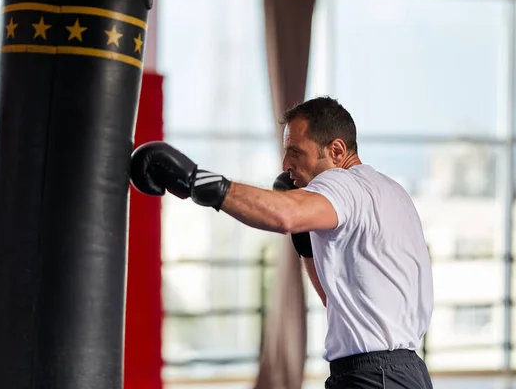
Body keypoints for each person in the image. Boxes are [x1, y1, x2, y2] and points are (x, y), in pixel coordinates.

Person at [130, 96, 434, 389]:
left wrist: (195, 180)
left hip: (372, 376)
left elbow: (285, 216)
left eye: (295, 151)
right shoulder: (391, 192)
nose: (285, 162)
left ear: (337, 151)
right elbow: (339, 301)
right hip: (406, 372)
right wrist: (304, 242)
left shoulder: (343, 182)